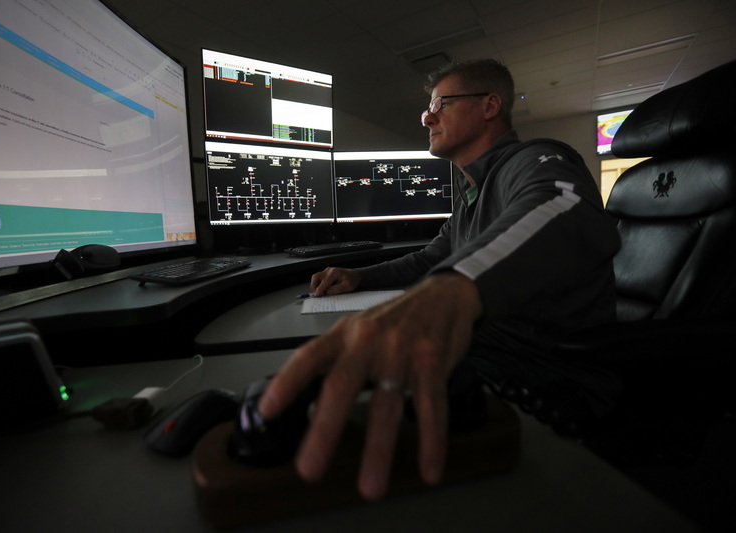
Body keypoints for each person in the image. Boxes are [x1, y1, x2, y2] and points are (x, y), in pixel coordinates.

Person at [258, 59, 621, 501]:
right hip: (489, 349)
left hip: (547, 372)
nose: (427, 117)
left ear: (490, 106)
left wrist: (452, 286)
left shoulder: (536, 159)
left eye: (440, 104)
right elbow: (430, 257)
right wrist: (358, 276)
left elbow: (564, 206)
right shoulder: (471, 196)